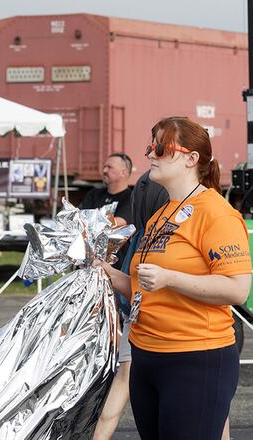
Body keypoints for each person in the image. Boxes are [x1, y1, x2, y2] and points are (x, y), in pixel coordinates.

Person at [97, 116, 251, 440]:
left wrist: (171, 278)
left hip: (195, 358)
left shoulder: (216, 212)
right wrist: (108, 275)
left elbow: (238, 289)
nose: (151, 154)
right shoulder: (160, 213)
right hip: (148, 356)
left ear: (191, 159)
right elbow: (144, 286)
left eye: (161, 148)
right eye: (150, 146)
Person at [93, 170, 168, 440]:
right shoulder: (162, 235)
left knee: (122, 388)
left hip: (135, 319)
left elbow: (130, 281)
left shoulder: (140, 235)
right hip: (158, 325)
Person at [80, 152, 133, 226]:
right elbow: (82, 220)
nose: (104, 170)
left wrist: (91, 223)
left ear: (123, 173)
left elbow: (119, 222)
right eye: (104, 167)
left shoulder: (132, 198)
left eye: (109, 167)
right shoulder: (93, 194)